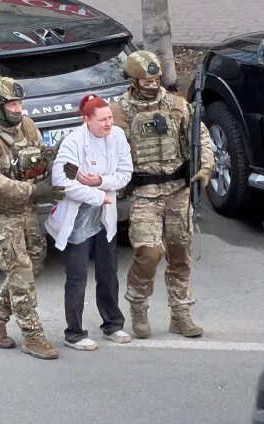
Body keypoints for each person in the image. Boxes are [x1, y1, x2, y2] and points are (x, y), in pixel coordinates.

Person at [110, 50, 214, 339]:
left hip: (178, 191)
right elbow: (108, 147)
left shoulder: (177, 105)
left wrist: (205, 166)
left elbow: (199, 136)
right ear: (133, 81)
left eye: (156, 79)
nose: (152, 84)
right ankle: (138, 306)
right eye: (145, 80)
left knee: (180, 255)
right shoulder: (121, 111)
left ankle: (180, 314)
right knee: (149, 253)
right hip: (144, 194)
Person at [0, 76, 64, 360]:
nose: (18, 108)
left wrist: (56, 155)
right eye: (11, 103)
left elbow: (39, 156)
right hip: (0, 214)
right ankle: (33, 336)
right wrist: (35, 190)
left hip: (26, 210)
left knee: (34, 264)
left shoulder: (27, 125)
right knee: (20, 272)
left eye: (19, 102)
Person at [45, 94, 134, 351]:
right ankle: (74, 332)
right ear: (86, 120)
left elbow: (125, 173)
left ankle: (113, 324)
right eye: (102, 120)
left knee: (108, 271)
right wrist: (96, 195)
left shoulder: (117, 136)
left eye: (110, 118)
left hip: (105, 215)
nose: (108, 123)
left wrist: (99, 182)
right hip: (78, 216)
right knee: (77, 275)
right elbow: (62, 181)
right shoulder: (73, 142)